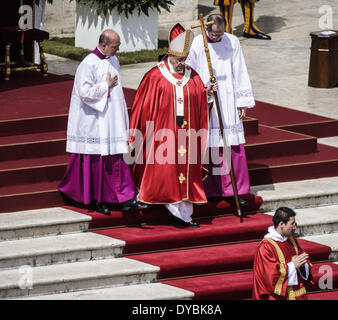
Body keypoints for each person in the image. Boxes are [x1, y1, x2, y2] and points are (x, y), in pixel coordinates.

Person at [129, 23, 217, 228]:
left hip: (187, 137)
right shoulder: (155, 76)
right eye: (179, 60)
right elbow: (143, 107)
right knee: (163, 172)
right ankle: (165, 205)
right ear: (170, 55)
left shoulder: (192, 75)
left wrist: (208, 93)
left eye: (185, 59)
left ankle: (183, 214)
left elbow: (199, 100)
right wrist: (139, 136)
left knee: (184, 173)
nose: (182, 63)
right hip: (162, 136)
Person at [58, 29, 148, 215]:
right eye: (115, 46)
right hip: (95, 121)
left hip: (112, 118)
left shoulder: (113, 60)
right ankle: (98, 199)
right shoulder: (87, 64)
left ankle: (124, 198)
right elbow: (84, 93)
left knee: (116, 157)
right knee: (99, 160)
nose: (117, 50)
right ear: (104, 45)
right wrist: (104, 86)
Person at [186, 13, 254, 209]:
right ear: (206, 30)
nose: (218, 38)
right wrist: (203, 89)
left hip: (229, 97)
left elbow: (240, 70)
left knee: (232, 144)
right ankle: (213, 190)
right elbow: (190, 74)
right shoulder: (198, 44)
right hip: (209, 99)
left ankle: (236, 190)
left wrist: (242, 101)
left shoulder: (232, 41)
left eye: (220, 34)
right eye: (214, 35)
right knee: (213, 144)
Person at [252, 207, 314, 300]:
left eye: (295, 223)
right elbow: (270, 275)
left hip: (298, 294)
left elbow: (302, 258)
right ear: (281, 224)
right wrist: (293, 265)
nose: (295, 227)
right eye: (292, 224)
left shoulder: (291, 240)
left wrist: (302, 265)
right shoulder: (266, 247)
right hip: (278, 296)